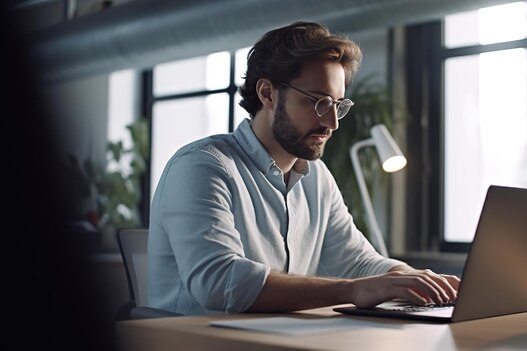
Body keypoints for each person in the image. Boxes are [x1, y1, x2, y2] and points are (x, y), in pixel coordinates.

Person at [148, 21, 459, 315]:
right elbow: (220, 282)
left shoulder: (317, 177)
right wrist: (351, 290)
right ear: (267, 93)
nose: (332, 123)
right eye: (318, 102)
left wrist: (412, 279)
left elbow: (358, 262)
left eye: (338, 105)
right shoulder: (202, 166)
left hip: (273, 339)